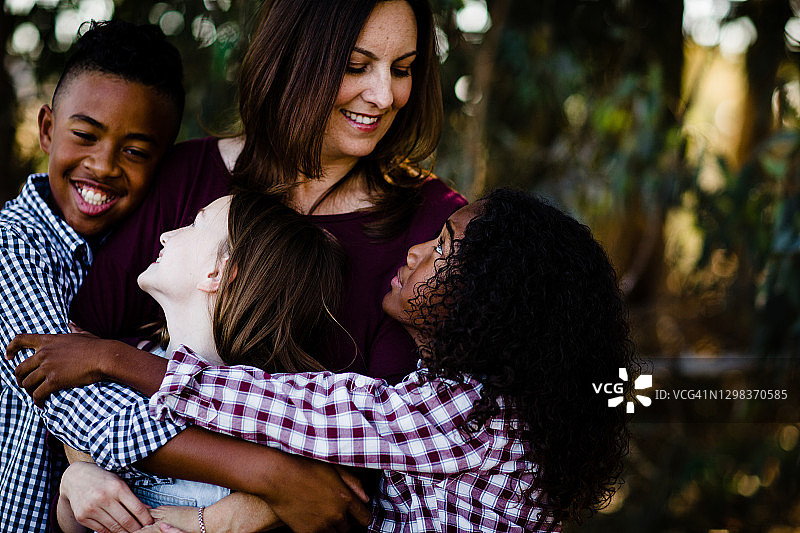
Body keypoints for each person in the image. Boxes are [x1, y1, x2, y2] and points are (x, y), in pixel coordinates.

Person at [12, 189, 637, 531]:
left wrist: (113, 359)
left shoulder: (468, 418)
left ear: (492, 302)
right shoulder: (447, 402)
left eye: (444, 247)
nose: (418, 248)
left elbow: (301, 410)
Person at [69, 0, 467, 385]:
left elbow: (409, 436)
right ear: (291, 58)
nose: (384, 96)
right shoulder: (185, 175)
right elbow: (75, 352)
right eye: (354, 66)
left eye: (402, 69)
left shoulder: (438, 228)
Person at [54, 191, 348, 532]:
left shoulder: (270, 417)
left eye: (195, 224)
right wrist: (74, 482)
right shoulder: (114, 376)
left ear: (216, 273)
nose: (166, 234)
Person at [0, 19, 184, 530]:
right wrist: (270, 471)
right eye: (84, 135)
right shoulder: (13, 246)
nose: (102, 165)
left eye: (135, 152)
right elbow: (79, 404)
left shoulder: (159, 254)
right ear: (46, 129)